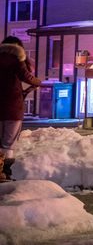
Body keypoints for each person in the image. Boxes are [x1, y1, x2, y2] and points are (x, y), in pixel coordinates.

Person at [0, 36, 41, 180]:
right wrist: (38, 82)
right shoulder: (17, 59)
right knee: (8, 143)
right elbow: (27, 77)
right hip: (13, 107)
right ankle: (5, 172)